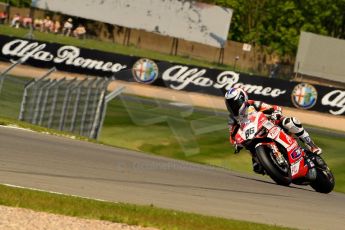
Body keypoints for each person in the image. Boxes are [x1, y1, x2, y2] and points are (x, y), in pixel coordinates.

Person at [225, 88, 322, 173]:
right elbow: (232, 135)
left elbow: (273, 108)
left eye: (234, 103)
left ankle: (311, 144)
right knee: (257, 167)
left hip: (269, 123)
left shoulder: (253, 104)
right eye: (230, 104)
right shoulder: (232, 119)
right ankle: (270, 163)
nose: (233, 107)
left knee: (290, 122)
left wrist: (275, 113)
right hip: (253, 135)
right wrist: (236, 144)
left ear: (243, 98)